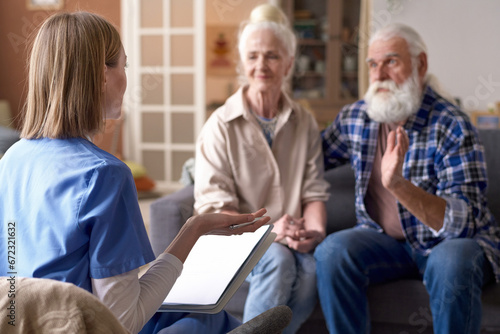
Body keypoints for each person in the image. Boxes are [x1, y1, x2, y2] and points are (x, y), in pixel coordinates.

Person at [0, 11, 271, 334]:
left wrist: (195, 227)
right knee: (204, 324)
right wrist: (193, 231)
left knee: (205, 315)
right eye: (123, 65)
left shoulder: (11, 159)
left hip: (24, 324)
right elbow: (122, 322)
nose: (126, 78)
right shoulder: (104, 175)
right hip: (80, 325)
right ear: (101, 74)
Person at [315, 23, 500, 334]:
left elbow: (463, 223)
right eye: (373, 64)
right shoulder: (355, 118)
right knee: (333, 252)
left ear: (421, 64)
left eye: (391, 61)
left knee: (453, 260)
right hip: (383, 241)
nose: (379, 74)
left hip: (445, 243)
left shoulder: (452, 124)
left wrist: (398, 185)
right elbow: (307, 160)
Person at [194, 4, 330, 333]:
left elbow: (314, 191)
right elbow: (218, 207)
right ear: (242, 62)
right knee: (278, 261)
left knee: (314, 269)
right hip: (234, 236)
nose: (261, 65)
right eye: (253, 56)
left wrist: (315, 233)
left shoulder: (304, 122)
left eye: (271, 56)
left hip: (288, 236)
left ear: (288, 63)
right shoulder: (220, 126)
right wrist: (269, 233)